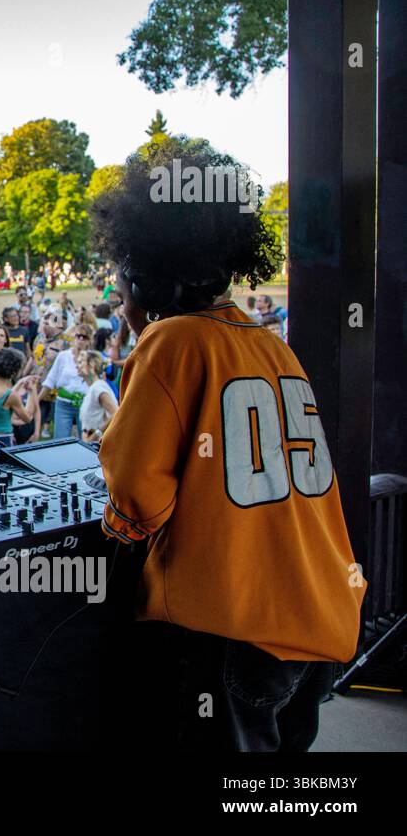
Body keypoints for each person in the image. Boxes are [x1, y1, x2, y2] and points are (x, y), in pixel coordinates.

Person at [90, 138, 364, 750]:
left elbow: (137, 497)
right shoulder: (273, 346)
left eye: (122, 286)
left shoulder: (172, 343)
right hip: (313, 618)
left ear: (144, 277)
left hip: (232, 627)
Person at [41, 324, 93, 440]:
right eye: (78, 336)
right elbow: (51, 379)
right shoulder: (63, 356)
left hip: (84, 404)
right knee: (60, 440)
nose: (80, 339)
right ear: (73, 337)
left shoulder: (92, 358)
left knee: (87, 442)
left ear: (89, 340)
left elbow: (96, 383)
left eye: (84, 337)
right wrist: (37, 400)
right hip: (63, 403)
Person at [77, 350, 117, 442]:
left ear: (91, 364)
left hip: (100, 445)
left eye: (81, 362)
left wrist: (96, 434)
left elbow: (116, 413)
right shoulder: (92, 388)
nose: (77, 366)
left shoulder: (98, 388)